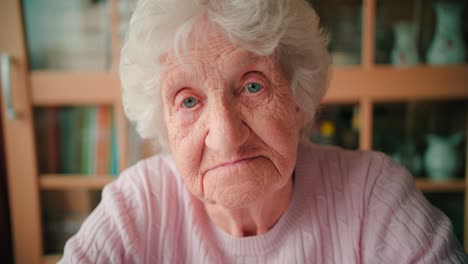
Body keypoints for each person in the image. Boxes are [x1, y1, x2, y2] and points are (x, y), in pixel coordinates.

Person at [60, 0, 467, 263]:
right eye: (188, 101)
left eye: (253, 85)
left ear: (297, 96)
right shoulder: (139, 205)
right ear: (163, 122)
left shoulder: (373, 195)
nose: (225, 137)